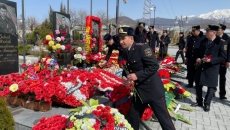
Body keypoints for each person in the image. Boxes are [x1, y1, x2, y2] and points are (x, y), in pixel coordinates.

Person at [118, 27, 175, 130]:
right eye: (120, 39)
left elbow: (154, 66)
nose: (121, 41)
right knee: (133, 117)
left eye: (123, 38)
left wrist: (137, 75)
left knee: (164, 120)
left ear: (131, 38)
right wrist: (124, 77)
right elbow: (126, 66)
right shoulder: (125, 51)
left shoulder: (142, 48)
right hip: (139, 92)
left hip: (153, 91)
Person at [191, 25, 227, 112]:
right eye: (206, 31)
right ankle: (199, 101)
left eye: (208, 31)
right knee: (198, 84)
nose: (206, 33)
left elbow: (223, 57)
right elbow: (198, 53)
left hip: (212, 68)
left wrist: (211, 60)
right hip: (201, 66)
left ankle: (207, 103)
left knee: (211, 87)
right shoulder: (203, 41)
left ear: (213, 33)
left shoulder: (221, 42)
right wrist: (198, 58)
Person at [216, 24, 230, 99]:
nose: (217, 30)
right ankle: (213, 88)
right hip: (215, 60)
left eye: (219, 29)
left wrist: (228, 61)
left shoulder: (227, 39)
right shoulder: (215, 37)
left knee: (222, 78)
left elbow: (229, 51)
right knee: (214, 76)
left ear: (223, 30)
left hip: (223, 61)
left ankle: (222, 94)